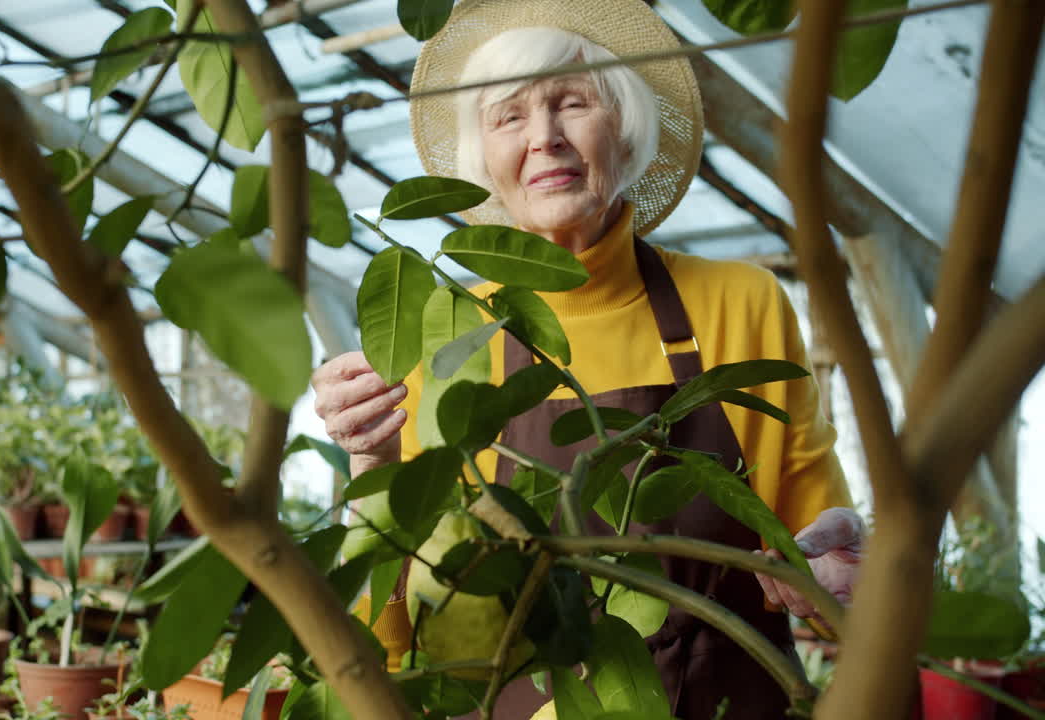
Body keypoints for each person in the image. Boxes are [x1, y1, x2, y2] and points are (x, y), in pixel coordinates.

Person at [311, 1, 864, 718]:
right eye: (508, 116)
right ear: (483, 153)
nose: (544, 139)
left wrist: (838, 563)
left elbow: (823, 565)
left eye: (573, 102)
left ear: (625, 122)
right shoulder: (440, 330)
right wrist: (372, 465)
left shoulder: (743, 304)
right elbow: (389, 635)